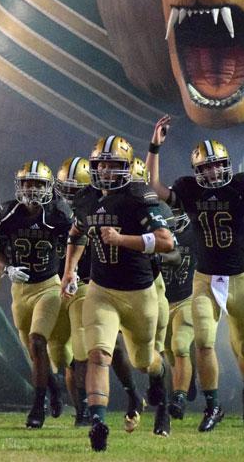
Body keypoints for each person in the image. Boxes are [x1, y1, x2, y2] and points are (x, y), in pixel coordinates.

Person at [146, 115, 244, 431]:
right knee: (204, 343)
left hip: (239, 279)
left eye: (216, 164)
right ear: (197, 171)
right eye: (205, 167)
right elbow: (155, 186)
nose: (211, 171)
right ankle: (213, 407)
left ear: (226, 164)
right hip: (205, 278)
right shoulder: (189, 190)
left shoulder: (240, 186)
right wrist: (154, 146)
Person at [62, 136, 174, 451]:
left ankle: (159, 389)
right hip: (101, 289)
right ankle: (98, 423)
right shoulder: (84, 198)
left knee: (144, 361)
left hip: (139, 292)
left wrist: (123, 239)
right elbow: (76, 234)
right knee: (99, 355)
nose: (107, 171)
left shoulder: (138, 195)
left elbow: (166, 242)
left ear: (126, 168)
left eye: (114, 165)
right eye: (101, 164)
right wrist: (70, 269)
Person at [0, 160, 72, 429]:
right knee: (33, 350)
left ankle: (37, 407)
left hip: (48, 286)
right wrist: (7, 268)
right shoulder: (7, 212)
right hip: (20, 290)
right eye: (27, 183)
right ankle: (54, 386)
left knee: (38, 342)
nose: (31, 188)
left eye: (37, 183)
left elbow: (74, 246)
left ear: (48, 187)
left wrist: (70, 275)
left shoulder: (58, 214)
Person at [49, 157, 93, 426]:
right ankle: (73, 403)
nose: (67, 195)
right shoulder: (49, 210)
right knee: (60, 355)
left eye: (73, 190)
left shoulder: (95, 209)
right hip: (53, 285)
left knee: (81, 352)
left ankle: (85, 410)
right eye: (64, 187)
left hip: (86, 283)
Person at [161, 207, 199, 420]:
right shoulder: (152, 234)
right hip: (162, 300)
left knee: (181, 346)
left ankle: (179, 398)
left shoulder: (193, 234)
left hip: (187, 298)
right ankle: (183, 384)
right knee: (168, 351)